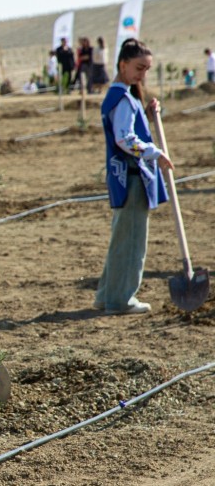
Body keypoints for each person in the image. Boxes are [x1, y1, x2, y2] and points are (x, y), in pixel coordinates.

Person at [94, 38, 172, 315]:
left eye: (147, 69)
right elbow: (125, 138)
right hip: (132, 178)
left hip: (123, 177)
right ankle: (121, 300)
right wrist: (155, 152)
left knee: (122, 239)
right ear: (123, 64)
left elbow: (127, 130)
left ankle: (107, 295)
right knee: (131, 242)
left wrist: (147, 115)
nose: (143, 75)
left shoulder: (119, 97)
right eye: (139, 68)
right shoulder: (124, 99)